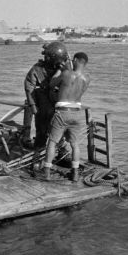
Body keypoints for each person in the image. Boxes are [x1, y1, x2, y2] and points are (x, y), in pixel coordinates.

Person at [42, 52, 90, 182]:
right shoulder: (87, 79)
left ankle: (46, 172)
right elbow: (75, 88)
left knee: (52, 142)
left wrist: (60, 70)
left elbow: (52, 84)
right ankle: (75, 173)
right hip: (77, 113)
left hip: (62, 112)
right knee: (75, 144)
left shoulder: (66, 74)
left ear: (75, 60)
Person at [23, 41, 69, 150]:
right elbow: (29, 87)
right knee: (42, 131)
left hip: (58, 103)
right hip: (43, 105)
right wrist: (33, 105)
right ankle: (39, 153)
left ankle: (61, 152)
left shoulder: (65, 70)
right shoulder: (37, 69)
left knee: (59, 131)